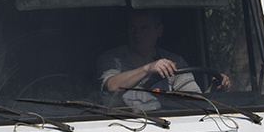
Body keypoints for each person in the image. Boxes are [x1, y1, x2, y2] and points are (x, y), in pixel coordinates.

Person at [97, 10, 228, 109]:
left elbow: (194, 102)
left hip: (167, 125)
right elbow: (111, 86)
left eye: (144, 28)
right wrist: (147, 69)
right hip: (122, 125)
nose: (137, 34)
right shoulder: (112, 59)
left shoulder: (173, 61)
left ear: (159, 31)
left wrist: (214, 89)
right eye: (132, 28)